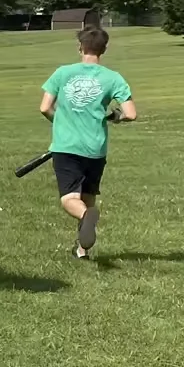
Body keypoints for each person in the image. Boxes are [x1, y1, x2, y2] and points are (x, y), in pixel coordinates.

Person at [40, 25, 137, 259]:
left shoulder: (62, 73)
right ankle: (82, 250)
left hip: (66, 146)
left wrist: (60, 122)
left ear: (80, 46)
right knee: (87, 198)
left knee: (70, 199)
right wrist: (116, 117)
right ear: (104, 49)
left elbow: (44, 107)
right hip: (95, 148)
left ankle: (86, 217)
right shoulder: (113, 78)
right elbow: (131, 113)